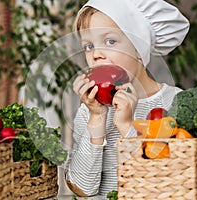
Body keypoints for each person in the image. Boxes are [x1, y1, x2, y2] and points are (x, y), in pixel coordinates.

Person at [64, 0, 190, 197]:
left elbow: (168, 183)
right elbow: (83, 188)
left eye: (110, 41)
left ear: (139, 48)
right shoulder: (90, 110)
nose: (96, 54)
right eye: (89, 46)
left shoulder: (174, 102)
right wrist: (97, 118)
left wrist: (127, 126)